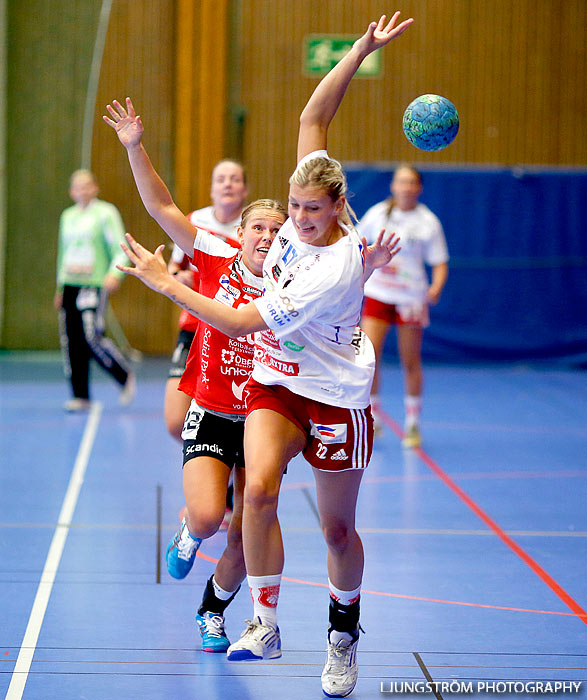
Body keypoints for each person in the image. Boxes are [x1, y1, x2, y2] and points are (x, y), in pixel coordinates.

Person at [108, 12, 411, 697]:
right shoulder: (274, 230)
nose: (298, 221)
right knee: (262, 492)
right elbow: (313, 114)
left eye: (310, 211)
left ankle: (341, 634)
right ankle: (264, 623)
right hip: (276, 383)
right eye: (293, 207)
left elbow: (242, 323)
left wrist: (165, 284)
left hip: (336, 393)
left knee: (337, 530)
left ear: (337, 207)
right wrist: (361, 49)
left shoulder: (329, 267)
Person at [104, 99, 287, 651]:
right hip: (211, 408)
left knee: (244, 534)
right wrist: (136, 147)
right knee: (209, 518)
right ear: (244, 230)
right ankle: (188, 531)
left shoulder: (297, 285)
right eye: (258, 225)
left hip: (265, 418)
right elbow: (162, 207)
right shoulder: (216, 253)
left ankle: (213, 610)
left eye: (277, 230)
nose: (265, 235)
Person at [359, 164, 449, 447]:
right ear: (393, 186)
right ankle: (372, 418)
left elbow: (440, 261)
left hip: (411, 297)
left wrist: (436, 286)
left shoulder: (428, 222)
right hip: (378, 293)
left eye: (411, 182)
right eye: (401, 181)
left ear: (419, 188)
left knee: (410, 360)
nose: (406, 187)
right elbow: (358, 245)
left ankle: (412, 424)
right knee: (368, 357)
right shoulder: (377, 214)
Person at [165, 159, 247, 442]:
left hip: (234, 334)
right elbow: (175, 268)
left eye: (235, 179)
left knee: (236, 421)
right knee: (176, 422)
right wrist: (178, 276)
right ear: (212, 189)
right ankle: (207, 463)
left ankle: (225, 477)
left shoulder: (252, 229)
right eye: (221, 179)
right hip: (193, 328)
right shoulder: (194, 222)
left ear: (245, 189)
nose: (228, 184)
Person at [54, 169, 135, 412]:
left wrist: (115, 272)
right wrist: (59, 287)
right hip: (70, 283)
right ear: (71, 191)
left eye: (86, 186)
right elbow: (62, 253)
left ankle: (122, 375)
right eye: (77, 187)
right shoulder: (67, 216)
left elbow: (120, 246)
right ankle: (81, 395)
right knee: (71, 341)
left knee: (90, 336)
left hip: (93, 283)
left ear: (95, 188)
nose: (82, 191)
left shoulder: (105, 213)